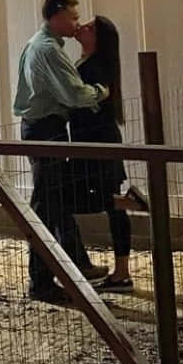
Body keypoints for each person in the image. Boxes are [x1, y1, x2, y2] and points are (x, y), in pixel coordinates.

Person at [13, 0, 110, 304]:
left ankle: (77, 263)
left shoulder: (37, 44)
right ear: (55, 16)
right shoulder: (49, 51)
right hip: (46, 131)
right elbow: (73, 94)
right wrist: (101, 91)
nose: (77, 23)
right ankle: (40, 282)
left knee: (58, 199)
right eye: (73, 17)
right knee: (46, 204)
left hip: (39, 128)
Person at [68, 15, 148, 293]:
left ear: (97, 39)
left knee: (93, 199)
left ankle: (123, 270)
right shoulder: (89, 64)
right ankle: (121, 269)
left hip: (97, 142)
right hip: (93, 141)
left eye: (90, 27)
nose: (83, 28)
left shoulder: (96, 66)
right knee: (100, 199)